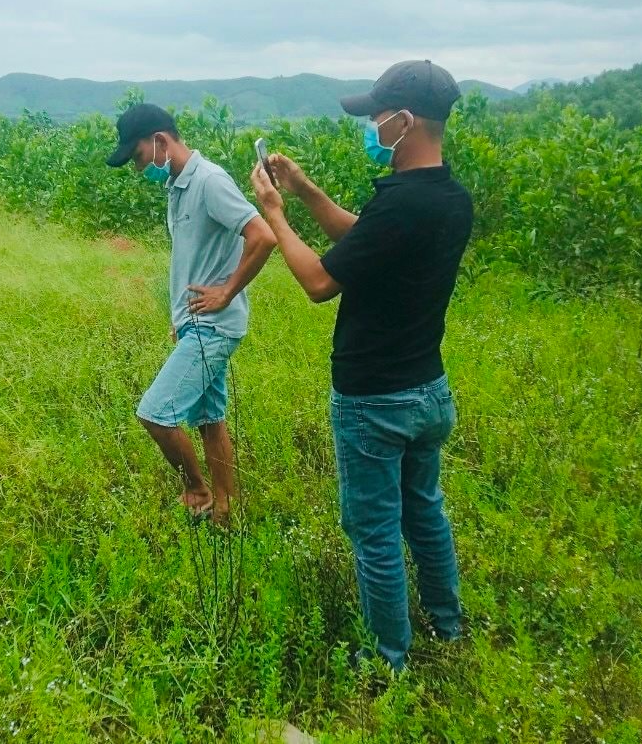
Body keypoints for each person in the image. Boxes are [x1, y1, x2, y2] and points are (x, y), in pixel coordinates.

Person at [249, 59, 472, 671]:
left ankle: (388, 660)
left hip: (374, 400)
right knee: (424, 510)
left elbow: (321, 281)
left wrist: (275, 213)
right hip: (428, 391)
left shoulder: (402, 203)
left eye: (376, 117)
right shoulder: (446, 198)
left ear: (404, 121)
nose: (370, 127)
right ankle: (449, 627)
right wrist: (305, 189)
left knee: (374, 533)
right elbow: (365, 239)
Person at [107, 103, 276, 525]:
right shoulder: (179, 185)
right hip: (196, 324)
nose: (138, 167)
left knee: (155, 412)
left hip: (214, 326)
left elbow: (262, 236)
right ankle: (224, 510)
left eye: (140, 157)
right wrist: (182, 318)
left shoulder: (209, 181)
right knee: (209, 419)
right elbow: (196, 259)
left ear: (160, 141)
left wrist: (226, 293)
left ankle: (197, 489)